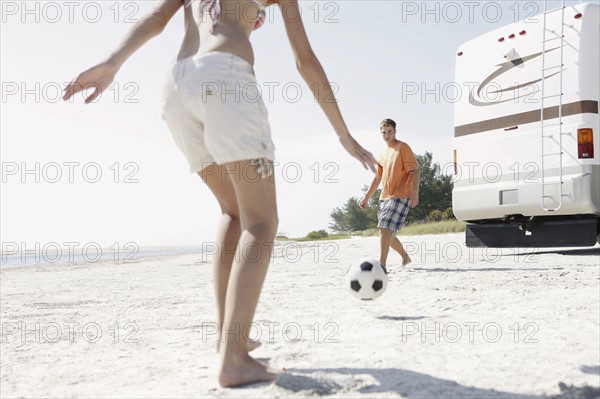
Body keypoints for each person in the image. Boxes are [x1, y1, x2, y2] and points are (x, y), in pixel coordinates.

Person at [62, 0, 378, 388]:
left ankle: (229, 336)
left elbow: (158, 18)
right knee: (261, 221)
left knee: (232, 211)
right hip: (226, 79)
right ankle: (235, 360)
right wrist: (343, 134)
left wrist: (113, 62)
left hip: (177, 86)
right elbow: (305, 62)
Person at [359, 118, 420, 273]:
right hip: (384, 197)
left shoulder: (403, 147)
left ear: (395, 131)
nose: (386, 135)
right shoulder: (383, 154)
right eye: (384, 132)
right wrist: (367, 197)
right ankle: (405, 258)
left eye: (389, 131)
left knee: (384, 228)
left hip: (401, 195)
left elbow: (415, 171)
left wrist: (415, 192)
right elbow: (378, 177)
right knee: (388, 233)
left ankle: (381, 265)